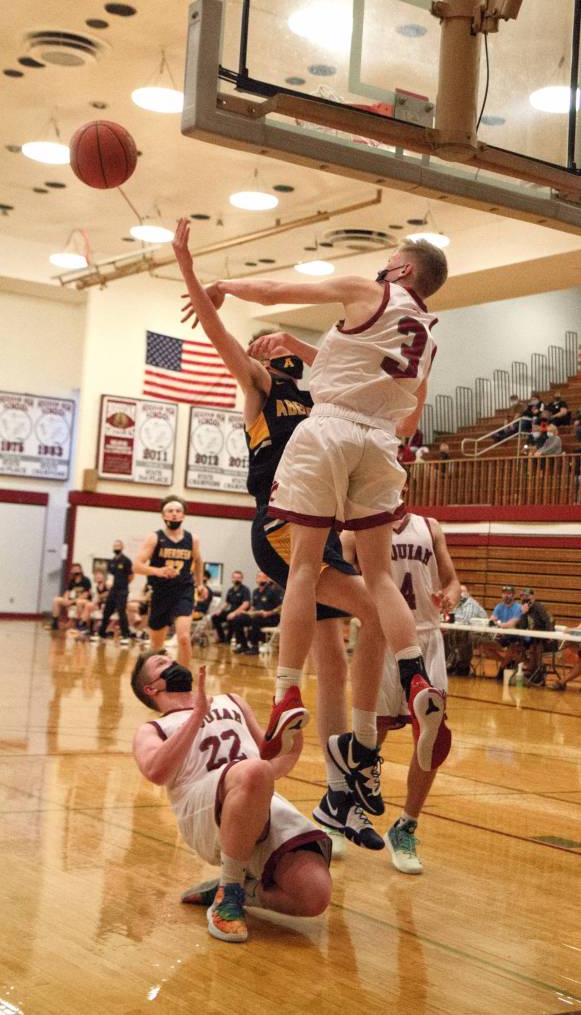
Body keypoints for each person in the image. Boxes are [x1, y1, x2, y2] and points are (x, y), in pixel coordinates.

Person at [173, 218, 393, 849]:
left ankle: (334, 789)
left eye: (277, 347)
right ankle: (359, 750)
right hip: (279, 525)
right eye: (263, 347)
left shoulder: (322, 393)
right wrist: (191, 270)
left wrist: (298, 338)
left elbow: (359, 381)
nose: (270, 351)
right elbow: (220, 339)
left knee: (335, 657)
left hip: (320, 533)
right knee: (376, 613)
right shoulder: (263, 389)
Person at [242, 238, 450, 798]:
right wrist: (299, 347)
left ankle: (287, 692)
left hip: (327, 437)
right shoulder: (427, 336)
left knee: (305, 569)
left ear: (401, 268)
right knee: (379, 582)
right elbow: (387, 392)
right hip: (381, 444)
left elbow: (273, 289)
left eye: (390, 255)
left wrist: (217, 286)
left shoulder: (371, 291)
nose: (383, 260)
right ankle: (413, 678)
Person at [131, 652, 331, 943]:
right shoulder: (152, 729)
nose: (173, 663)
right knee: (252, 771)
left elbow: (270, 764)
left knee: (314, 895)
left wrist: (292, 740)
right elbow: (155, 771)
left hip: (253, 791)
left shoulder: (232, 700)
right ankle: (229, 896)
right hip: (201, 807)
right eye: (162, 664)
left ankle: (239, 888)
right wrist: (196, 715)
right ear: (151, 688)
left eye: (172, 659)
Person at [341, 510, 460, 874]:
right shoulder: (353, 530)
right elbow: (340, 585)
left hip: (425, 637)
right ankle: (342, 809)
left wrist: (451, 596)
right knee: (369, 734)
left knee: (432, 734)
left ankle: (406, 824)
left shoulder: (431, 526)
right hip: (378, 637)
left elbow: (453, 580)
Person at [133, 496, 205, 668]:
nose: (174, 514)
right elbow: (136, 566)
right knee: (156, 646)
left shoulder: (192, 539)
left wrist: (200, 583)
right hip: (161, 592)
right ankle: (153, 676)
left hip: (183, 591)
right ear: (163, 515)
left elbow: (199, 561)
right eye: (170, 511)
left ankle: (183, 679)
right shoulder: (154, 538)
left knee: (184, 638)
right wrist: (157, 571)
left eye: (178, 511)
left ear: (183, 516)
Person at [93, 540, 133, 645]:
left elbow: (131, 576)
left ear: (122, 547)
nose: (116, 547)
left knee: (121, 611)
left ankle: (125, 635)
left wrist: (123, 584)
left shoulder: (126, 561)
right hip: (113, 590)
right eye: (115, 546)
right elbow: (111, 575)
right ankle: (101, 633)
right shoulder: (112, 561)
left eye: (118, 545)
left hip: (122, 590)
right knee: (107, 611)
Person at [231, 574, 283, 655]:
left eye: (263, 576)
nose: (260, 578)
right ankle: (243, 645)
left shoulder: (273, 590)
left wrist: (269, 613)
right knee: (238, 619)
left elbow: (281, 606)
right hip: (256, 615)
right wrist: (247, 613)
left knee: (256, 620)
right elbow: (253, 607)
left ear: (267, 578)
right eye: (258, 576)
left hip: (271, 617)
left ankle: (255, 647)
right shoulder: (255, 591)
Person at [446, 584, 487, 676]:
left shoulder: (470, 603)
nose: (461, 594)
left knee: (464, 636)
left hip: (480, 634)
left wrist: (452, 618)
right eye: (459, 592)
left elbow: (465, 620)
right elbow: (450, 617)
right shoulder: (458, 604)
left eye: (463, 592)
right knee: (446, 635)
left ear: (468, 593)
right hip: (465, 631)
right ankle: (451, 662)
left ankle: (464, 665)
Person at [483, 586, 522, 673]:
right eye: (504, 593)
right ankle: (506, 662)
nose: (506, 596)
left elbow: (512, 623)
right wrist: (497, 624)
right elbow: (492, 620)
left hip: (514, 637)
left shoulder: (518, 607)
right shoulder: (499, 606)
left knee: (513, 647)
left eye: (509, 593)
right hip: (501, 636)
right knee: (484, 646)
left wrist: (499, 624)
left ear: (513, 596)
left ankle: (502, 668)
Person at [515, 587, 554, 676]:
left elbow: (548, 621)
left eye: (527, 596)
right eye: (522, 596)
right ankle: (530, 668)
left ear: (532, 597)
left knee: (534, 646)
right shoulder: (525, 609)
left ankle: (533, 671)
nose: (525, 598)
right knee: (517, 645)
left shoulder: (537, 606)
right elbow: (522, 627)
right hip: (532, 638)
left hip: (546, 639)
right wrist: (523, 613)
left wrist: (549, 636)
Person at [210, 571, 251, 644]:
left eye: (238, 578)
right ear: (232, 579)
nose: (236, 579)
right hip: (231, 610)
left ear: (242, 579)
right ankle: (222, 637)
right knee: (215, 617)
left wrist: (234, 613)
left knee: (232, 618)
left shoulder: (245, 590)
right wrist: (219, 610)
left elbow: (246, 604)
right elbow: (227, 602)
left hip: (240, 613)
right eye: (235, 577)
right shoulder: (230, 590)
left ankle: (229, 639)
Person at [50, 563, 92, 630]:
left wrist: (72, 601)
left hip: (82, 601)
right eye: (74, 569)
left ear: (81, 570)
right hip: (72, 600)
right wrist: (66, 599)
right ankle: (55, 622)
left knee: (79, 602)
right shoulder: (72, 581)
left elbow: (86, 594)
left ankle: (80, 623)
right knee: (56, 600)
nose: (76, 571)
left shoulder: (86, 580)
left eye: (77, 569)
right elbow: (67, 592)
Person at [78, 569, 109, 634]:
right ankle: (83, 624)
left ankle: (83, 624)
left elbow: (110, 594)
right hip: (98, 605)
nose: (98, 576)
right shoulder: (94, 587)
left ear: (104, 576)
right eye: (96, 575)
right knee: (87, 604)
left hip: (108, 606)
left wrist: (100, 597)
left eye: (100, 575)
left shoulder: (108, 584)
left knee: (89, 605)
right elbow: (94, 598)